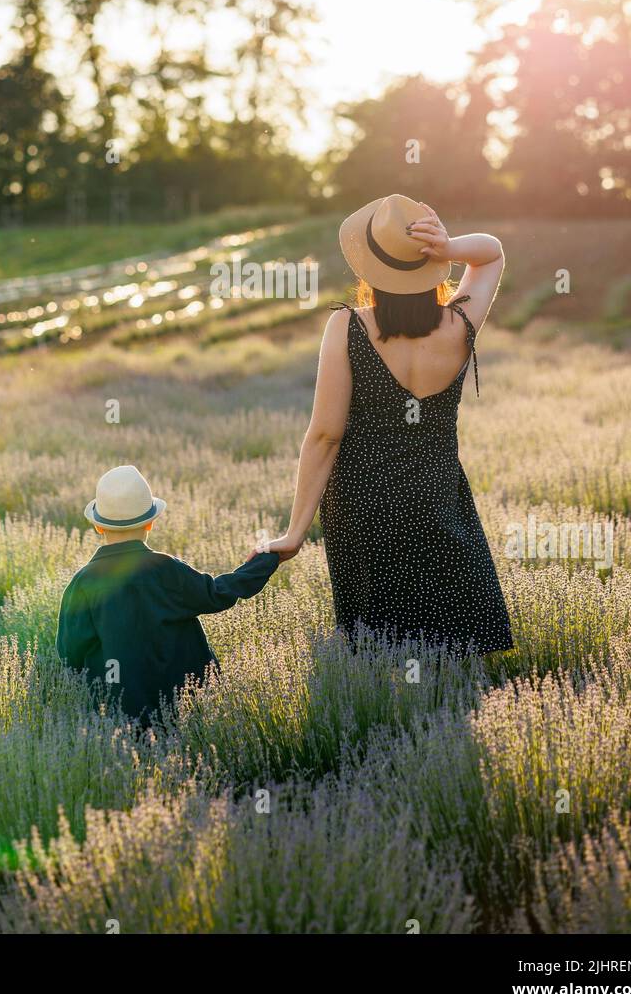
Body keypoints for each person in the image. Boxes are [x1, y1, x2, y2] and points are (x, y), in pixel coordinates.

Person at [259, 194, 513, 654]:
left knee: (378, 645)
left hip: (363, 504)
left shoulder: (348, 326)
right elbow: (492, 251)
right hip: (436, 496)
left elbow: (324, 435)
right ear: (430, 265)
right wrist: (450, 247)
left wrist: (295, 532)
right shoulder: (459, 324)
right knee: (447, 643)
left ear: (370, 271)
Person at [57, 464, 279, 722]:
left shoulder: (83, 583)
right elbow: (218, 593)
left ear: (99, 527)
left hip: (117, 713)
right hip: (185, 707)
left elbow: (69, 654)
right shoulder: (166, 569)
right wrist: (265, 559)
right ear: (150, 523)